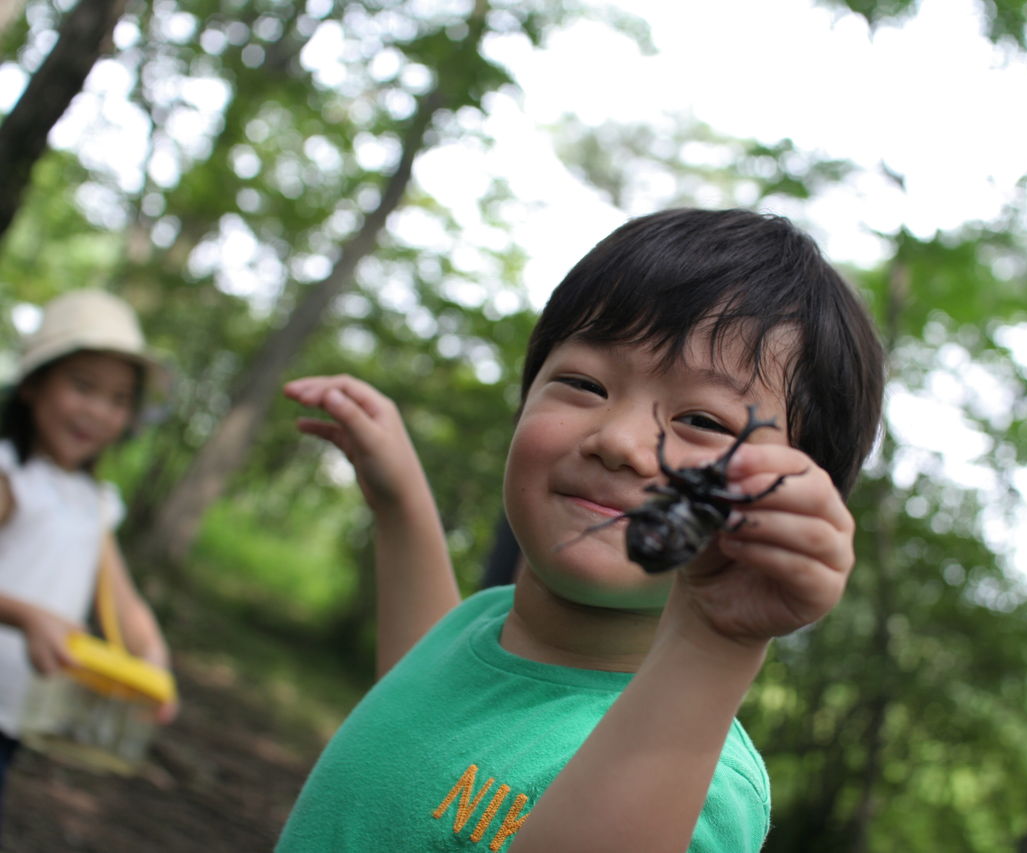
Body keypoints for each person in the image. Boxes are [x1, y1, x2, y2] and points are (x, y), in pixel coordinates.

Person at [276, 207, 885, 852]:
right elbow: (424, 705)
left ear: (783, 501)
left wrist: (717, 645)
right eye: (584, 383)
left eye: (703, 421)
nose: (619, 441)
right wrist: (401, 505)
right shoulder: (481, 628)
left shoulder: (696, 794)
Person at [0, 289, 177, 832]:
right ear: (33, 384)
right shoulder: (13, 478)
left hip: (11, 720)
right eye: (83, 387)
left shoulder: (93, 502)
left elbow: (123, 601)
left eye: (119, 399)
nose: (99, 412)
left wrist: (152, 655)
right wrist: (26, 616)